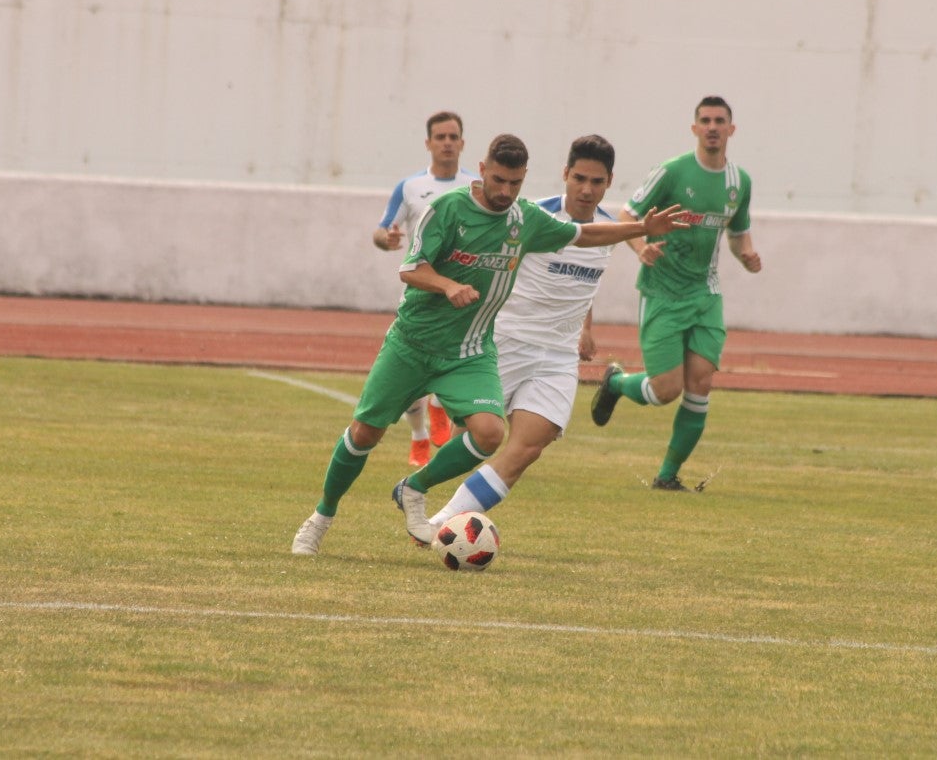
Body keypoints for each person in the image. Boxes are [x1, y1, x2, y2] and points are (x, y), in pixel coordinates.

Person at [293, 133, 686, 555]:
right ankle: (322, 516)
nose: (505, 192)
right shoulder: (446, 209)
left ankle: (416, 491)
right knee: (364, 434)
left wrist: (643, 228)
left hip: (471, 349)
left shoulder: (525, 219)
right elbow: (410, 269)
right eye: (498, 180)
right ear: (481, 170)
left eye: (514, 184)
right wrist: (447, 285)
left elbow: (582, 236)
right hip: (414, 342)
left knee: (488, 433)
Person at [426, 134, 619, 529]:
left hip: (557, 357)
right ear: (564, 174)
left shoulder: (609, 233)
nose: (586, 189)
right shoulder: (528, 216)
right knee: (474, 440)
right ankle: (420, 484)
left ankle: (444, 522)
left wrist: (586, 327)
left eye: (597, 182)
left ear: (609, 183)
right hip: (504, 343)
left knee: (527, 448)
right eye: (579, 177)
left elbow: (584, 284)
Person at [590, 95, 762, 491]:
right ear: (695, 128)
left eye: (720, 120)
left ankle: (667, 476)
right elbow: (627, 215)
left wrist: (747, 255)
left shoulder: (740, 182)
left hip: (706, 295)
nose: (713, 127)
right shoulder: (670, 172)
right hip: (663, 292)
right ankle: (615, 382)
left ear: (731, 129)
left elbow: (738, 236)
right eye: (705, 120)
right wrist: (640, 247)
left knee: (700, 382)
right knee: (665, 390)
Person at [372, 111, 476, 468]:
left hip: (460, 293)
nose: (447, 143)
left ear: (462, 143)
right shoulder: (411, 187)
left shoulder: (475, 187)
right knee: (411, 374)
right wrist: (387, 239)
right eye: (440, 137)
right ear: (428, 143)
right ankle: (419, 435)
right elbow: (383, 229)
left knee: (453, 365)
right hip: (419, 292)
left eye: (453, 137)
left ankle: (439, 406)